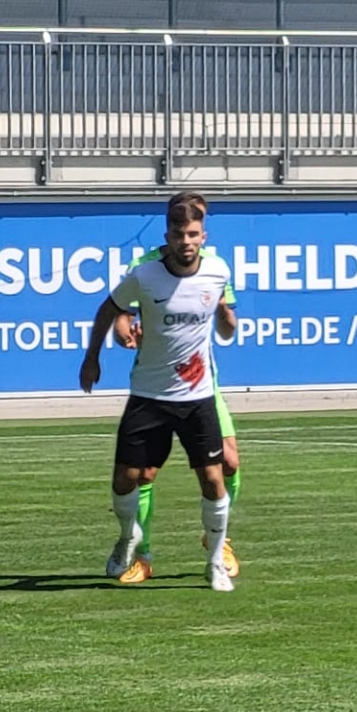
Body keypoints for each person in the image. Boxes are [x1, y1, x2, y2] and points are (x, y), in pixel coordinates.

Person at [78, 192, 238, 592]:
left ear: (203, 236)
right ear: (168, 236)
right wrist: (92, 357)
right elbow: (111, 310)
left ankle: (216, 560)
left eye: (193, 234)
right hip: (149, 394)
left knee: (215, 476)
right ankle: (129, 538)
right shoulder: (145, 274)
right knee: (126, 479)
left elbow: (224, 325)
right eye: (179, 234)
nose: (186, 241)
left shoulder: (218, 271)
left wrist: (225, 316)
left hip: (198, 396)